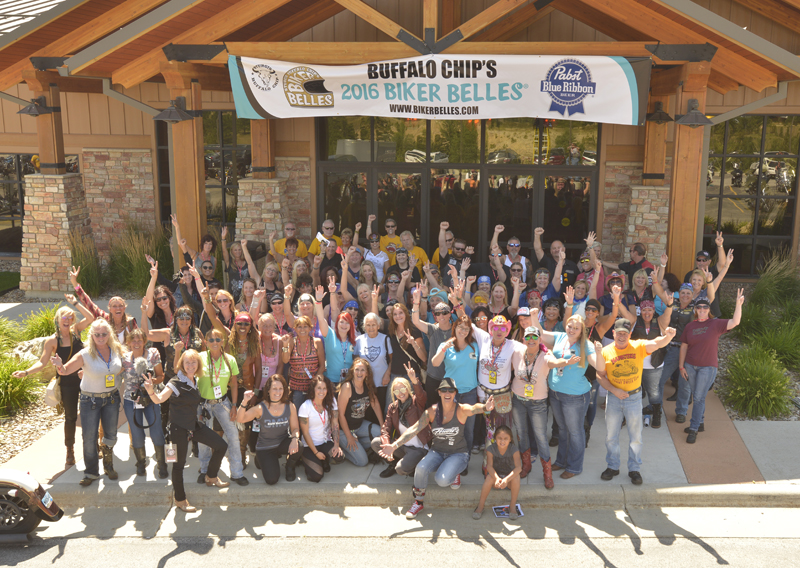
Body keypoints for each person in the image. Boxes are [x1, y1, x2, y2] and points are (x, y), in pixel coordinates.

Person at [382, 378, 495, 520]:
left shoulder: (461, 409)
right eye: (444, 390)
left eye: (451, 390)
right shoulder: (432, 412)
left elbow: (474, 408)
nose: (447, 393)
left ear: (455, 393)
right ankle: (418, 502)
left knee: (441, 480)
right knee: (421, 468)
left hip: (458, 454)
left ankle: (456, 472)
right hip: (437, 451)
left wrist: (486, 407)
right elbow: (414, 429)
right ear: (439, 392)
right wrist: (394, 445)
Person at [143, 349, 229, 513]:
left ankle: (210, 476)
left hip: (193, 425)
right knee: (178, 466)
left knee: (221, 446)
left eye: (193, 362)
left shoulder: (194, 379)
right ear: (182, 364)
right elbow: (160, 399)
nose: (190, 365)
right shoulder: (175, 383)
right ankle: (180, 500)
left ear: (198, 364)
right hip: (177, 430)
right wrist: (150, 391)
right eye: (187, 362)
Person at [13, 296, 94, 468]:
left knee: (90, 415)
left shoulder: (77, 332)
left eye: (70, 317)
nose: (68, 320)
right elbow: (42, 362)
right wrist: (26, 372)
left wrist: (75, 304)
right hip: (67, 383)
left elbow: (91, 318)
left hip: (84, 379)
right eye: (64, 317)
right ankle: (70, 450)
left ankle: (92, 447)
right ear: (57, 319)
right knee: (71, 417)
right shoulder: (52, 341)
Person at [595, 318, 676, 485]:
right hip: (614, 398)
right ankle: (612, 466)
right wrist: (614, 390)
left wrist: (668, 337)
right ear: (614, 333)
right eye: (619, 333)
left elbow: (656, 343)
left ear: (629, 334)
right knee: (611, 436)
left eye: (625, 333)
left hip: (634, 398)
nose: (622, 336)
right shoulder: (606, 351)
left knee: (636, 437)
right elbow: (600, 375)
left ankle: (634, 469)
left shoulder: (638, 346)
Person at [51, 319, 123, 486]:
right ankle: (91, 472)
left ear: (109, 334)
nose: (100, 337)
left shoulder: (116, 349)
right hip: (90, 400)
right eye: (97, 334)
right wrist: (60, 366)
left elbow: (122, 366)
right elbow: (66, 370)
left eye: (104, 334)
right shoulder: (85, 354)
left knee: (110, 435)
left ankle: (108, 465)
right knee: (89, 437)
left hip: (111, 398)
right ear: (92, 335)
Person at [535, 314, 601, 479]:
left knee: (575, 431)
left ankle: (574, 466)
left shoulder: (586, 345)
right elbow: (541, 334)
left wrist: (599, 352)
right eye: (570, 326)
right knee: (563, 429)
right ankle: (561, 461)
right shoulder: (560, 337)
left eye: (576, 328)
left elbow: (600, 367)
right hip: (556, 392)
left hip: (575, 396)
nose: (572, 330)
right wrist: (532, 315)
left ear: (581, 330)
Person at [679, 291, 744, 443]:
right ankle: (699, 422)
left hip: (707, 368)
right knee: (696, 396)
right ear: (695, 309)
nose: (702, 310)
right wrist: (681, 366)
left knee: (699, 398)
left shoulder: (715, 324)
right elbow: (683, 346)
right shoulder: (690, 326)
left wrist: (738, 305)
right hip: (690, 366)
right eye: (699, 307)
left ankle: (694, 428)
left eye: (705, 307)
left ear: (709, 309)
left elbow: (735, 322)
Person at [195, 327, 249, 486]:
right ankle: (204, 470)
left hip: (222, 403)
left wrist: (234, 405)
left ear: (223, 342)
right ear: (205, 342)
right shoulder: (199, 357)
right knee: (202, 441)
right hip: (203, 404)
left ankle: (237, 473)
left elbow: (233, 384)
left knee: (233, 437)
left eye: (218, 339)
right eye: (211, 339)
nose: (214, 342)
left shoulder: (229, 359)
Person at [510, 326, 556, 488]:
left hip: (538, 403)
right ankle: (526, 465)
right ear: (523, 339)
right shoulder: (517, 352)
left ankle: (547, 473)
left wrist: (566, 362)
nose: (531, 340)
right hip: (518, 400)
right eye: (528, 337)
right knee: (521, 433)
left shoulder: (545, 355)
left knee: (541, 437)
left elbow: (554, 362)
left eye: (534, 337)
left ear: (539, 340)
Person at [236, 374, 303, 484]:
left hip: (282, 442)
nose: (278, 392)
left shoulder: (290, 406)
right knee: (272, 480)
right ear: (268, 390)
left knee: (299, 445)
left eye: (281, 388)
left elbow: (295, 428)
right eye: (275, 388)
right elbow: (240, 419)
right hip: (265, 447)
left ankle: (289, 467)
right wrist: (244, 401)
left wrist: (295, 439)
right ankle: (260, 458)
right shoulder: (260, 408)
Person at [120, 328, 167, 478]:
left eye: (139, 340)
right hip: (131, 400)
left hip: (151, 398)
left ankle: (162, 463)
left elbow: (161, 376)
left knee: (156, 431)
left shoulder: (153, 354)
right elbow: (112, 373)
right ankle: (140, 462)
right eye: (133, 340)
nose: (136, 343)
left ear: (144, 341)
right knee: (136, 432)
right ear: (128, 342)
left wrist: (150, 382)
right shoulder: (125, 358)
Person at [430, 315, 480, 456]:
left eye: (466, 329)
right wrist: (444, 349)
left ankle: (465, 457)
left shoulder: (474, 346)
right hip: (450, 394)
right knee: (451, 427)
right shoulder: (446, 345)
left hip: (470, 392)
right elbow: (435, 363)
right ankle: (450, 455)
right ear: (455, 328)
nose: (463, 331)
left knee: (468, 428)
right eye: (460, 327)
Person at [372, 363, 430, 478]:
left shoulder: (416, 402)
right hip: (402, 446)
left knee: (401, 469)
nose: (401, 393)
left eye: (402, 389)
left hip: (418, 448)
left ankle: (414, 465)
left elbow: (421, 395)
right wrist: (387, 446)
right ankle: (392, 462)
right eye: (396, 391)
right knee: (376, 443)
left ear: (408, 388)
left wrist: (414, 380)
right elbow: (385, 429)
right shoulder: (393, 407)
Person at [623, 298, 673, 428]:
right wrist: (617, 300)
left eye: (649, 310)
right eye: (644, 309)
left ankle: (656, 414)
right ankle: (626, 416)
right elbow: (624, 313)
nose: (647, 313)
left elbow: (667, 315)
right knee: (630, 391)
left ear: (653, 311)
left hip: (654, 365)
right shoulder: (635, 321)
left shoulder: (660, 322)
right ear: (640, 311)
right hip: (635, 364)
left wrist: (670, 304)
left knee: (654, 392)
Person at [228, 312, 261, 470]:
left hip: (247, 389)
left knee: (244, 424)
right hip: (229, 387)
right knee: (229, 423)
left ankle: (242, 454)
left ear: (250, 326)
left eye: (246, 324)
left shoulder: (254, 342)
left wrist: (255, 392)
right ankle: (232, 453)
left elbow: (259, 371)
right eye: (239, 323)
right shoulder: (228, 342)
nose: (242, 326)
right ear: (234, 324)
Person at [70, 266, 138, 343]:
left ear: (124, 308)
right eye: (114, 306)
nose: (118, 308)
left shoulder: (130, 322)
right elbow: (89, 304)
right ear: (110, 309)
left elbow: (138, 340)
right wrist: (75, 283)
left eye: (120, 306)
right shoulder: (105, 319)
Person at [411, 285, 453, 407]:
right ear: (435, 315)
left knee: (450, 410)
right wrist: (416, 302)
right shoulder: (432, 329)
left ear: (450, 314)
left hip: (451, 377)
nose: (442, 316)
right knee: (432, 409)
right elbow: (416, 321)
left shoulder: (457, 329)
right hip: (433, 377)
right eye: (438, 313)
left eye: (445, 312)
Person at [337, 358, 384, 466]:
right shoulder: (347, 387)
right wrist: (349, 437)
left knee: (381, 435)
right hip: (344, 430)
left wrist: (383, 426)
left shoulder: (367, 386)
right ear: (352, 371)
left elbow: (375, 405)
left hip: (359, 426)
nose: (359, 373)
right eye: (357, 369)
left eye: (362, 370)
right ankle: (343, 451)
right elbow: (340, 414)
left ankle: (357, 446)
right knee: (362, 462)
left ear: (367, 373)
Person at [298, 375, 345, 482]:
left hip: (325, 442)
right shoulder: (305, 407)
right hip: (309, 446)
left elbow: (335, 424)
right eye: (319, 388)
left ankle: (324, 460)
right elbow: (305, 433)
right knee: (316, 476)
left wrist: (337, 445)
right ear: (313, 389)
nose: (321, 391)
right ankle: (308, 461)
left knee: (339, 457)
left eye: (324, 388)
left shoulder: (331, 401)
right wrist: (316, 453)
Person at [472, 425, 522, 520]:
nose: (502, 441)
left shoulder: (514, 449)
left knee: (516, 477)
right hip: (496, 480)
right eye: (500, 438)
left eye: (505, 439)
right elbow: (489, 466)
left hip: (509, 480)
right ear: (495, 438)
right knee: (489, 477)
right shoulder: (491, 449)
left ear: (510, 439)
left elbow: (518, 468)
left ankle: (512, 506)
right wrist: (497, 478)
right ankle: (480, 506)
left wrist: (506, 480)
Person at [281, 315, 326, 408]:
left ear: (310, 328)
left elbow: (322, 366)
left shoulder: (317, 342)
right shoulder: (292, 342)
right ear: (295, 329)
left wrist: (314, 383)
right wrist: (285, 346)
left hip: (313, 389)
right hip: (297, 389)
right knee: (297, 415)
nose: (302, 329)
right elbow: (285, 360)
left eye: (305, 326)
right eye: (299, 327)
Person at [355, 312, 392, 407]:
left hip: (382, 382)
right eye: (368, 325)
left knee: (382, 406)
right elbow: (355, 361)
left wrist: (387, 374)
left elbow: (392, 359)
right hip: (365, 382)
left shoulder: (385, 339)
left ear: (378, 326)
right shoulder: (359, 340)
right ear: (364, 326)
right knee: (367, 410)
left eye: (373, 325)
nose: (371, 328)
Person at [220, 229, 259, 300]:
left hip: (246, 293)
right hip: (233, 294)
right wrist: (223, 238)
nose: (237, 252)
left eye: (239, 249)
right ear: (232, 251)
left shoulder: (246, 262)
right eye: (235, 250)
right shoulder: (230, 262)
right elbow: (224, 251)